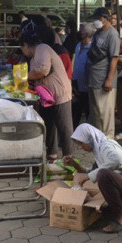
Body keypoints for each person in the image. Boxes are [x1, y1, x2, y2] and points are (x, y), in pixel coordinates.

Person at [65, 124, 122, 233]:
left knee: (103, 175)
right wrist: (74, 164)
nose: (81, 147)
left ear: (89, 139)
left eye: (81, 143)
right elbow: (90, 172)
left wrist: (88, 177)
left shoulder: (106, 146)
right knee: (101, 174)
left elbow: (116, 161)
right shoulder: (99, 151)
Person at [20, 31, 74, 160]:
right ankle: (52, 155)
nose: (22, 52)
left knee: (64, 128)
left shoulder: (42, 48)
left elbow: (42, 71)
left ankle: (69, 158)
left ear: (26, 45)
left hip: (60, 93)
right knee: (48, 125)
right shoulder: (33, 57)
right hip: (47, 97)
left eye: (21, 48)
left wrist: (21, 78)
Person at [85, 7, 120, 138]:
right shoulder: (98, 33)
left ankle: (107, 143)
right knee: (96, 114)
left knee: (105, 116)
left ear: (105, 19)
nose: (95, 21)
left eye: (98, 18)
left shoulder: (112, 34)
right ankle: (98, 141)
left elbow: (114, 58)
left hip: (103, 82)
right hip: (93, 79)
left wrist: (109, 80)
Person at [72, 23, 94, 127]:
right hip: (76, 82)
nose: (80, 32)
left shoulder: (92, 47)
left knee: (88, 110)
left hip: (87, 83)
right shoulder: (78, 45)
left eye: (82, 30)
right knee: (76, 110)